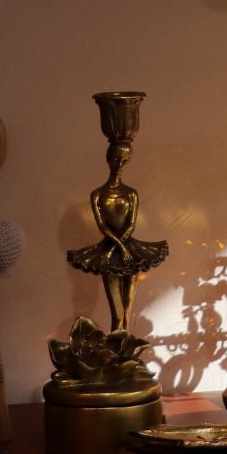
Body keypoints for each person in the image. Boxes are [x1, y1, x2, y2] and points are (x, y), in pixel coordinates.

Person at [67, 139, 168, 331]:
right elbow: (103, 227)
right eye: (115, 159)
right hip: (111, 250)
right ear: (107, 158)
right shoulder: (97, 194)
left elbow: (131, 225)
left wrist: (122, 248)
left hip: (130, 250)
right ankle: (116, 344)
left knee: (127, 316)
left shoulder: (131, 193)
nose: (119, 165)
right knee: (118, 317)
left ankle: (125, 345)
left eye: (124, 161)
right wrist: (119, 248)